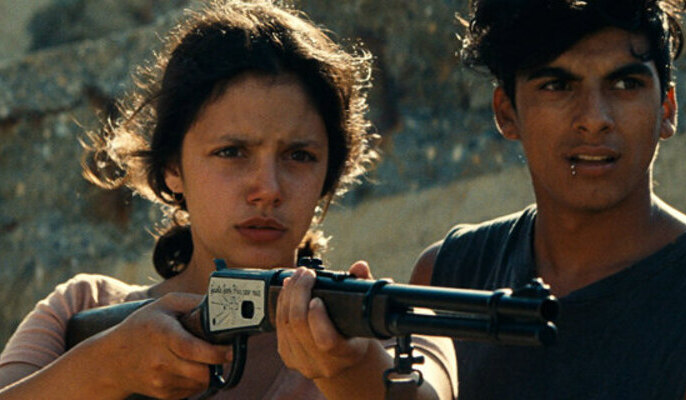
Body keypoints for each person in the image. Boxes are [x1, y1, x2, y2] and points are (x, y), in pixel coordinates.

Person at [0, 1, 455, 399]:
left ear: (327, 176)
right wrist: (107, 368)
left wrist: (350, 369)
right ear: (173, 167)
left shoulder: (391, 326)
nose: (268, 188)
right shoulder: (83, 308)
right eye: (232, 152)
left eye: (299, 156)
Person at [410, 0, 686, 399]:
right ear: (507, 113)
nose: (595, 118)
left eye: (625, 84)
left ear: (667, 109)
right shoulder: (449, 279)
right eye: (557, 85)